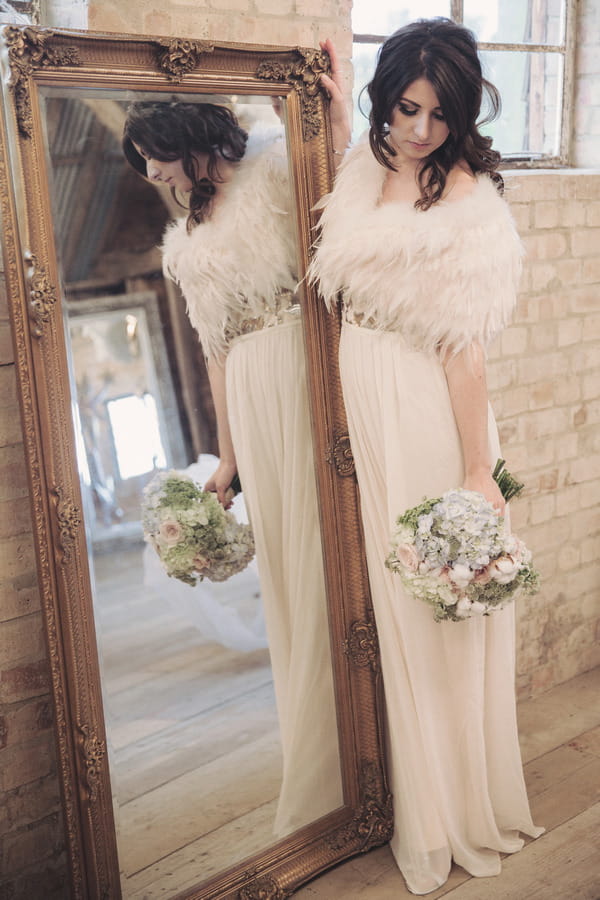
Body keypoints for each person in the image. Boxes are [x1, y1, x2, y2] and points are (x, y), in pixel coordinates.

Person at [312, 20, 543, 895]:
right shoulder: (370, 161)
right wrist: (341, 107)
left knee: (426, 610)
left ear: (462, 112)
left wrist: (477, 466)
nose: (418, 131)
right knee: (383, 601)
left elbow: (465, 351)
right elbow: (365, 194)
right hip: (366, 404)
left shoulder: (471, 202)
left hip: (424, 411)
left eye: (439, 115)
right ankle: (409, 789)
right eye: (406, 108)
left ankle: (447, 811)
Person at [122, 100, 343, 836]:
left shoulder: (275, 169)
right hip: (249, 384)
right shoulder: (183, 239)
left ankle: (357, 744)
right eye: (142, 161)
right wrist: (230, 450)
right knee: (285, 565)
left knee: (328, 550)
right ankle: (319, 750)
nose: (150, 171)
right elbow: (214, 349)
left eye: (155, 154)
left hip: (302, 365)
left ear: (189, 141)